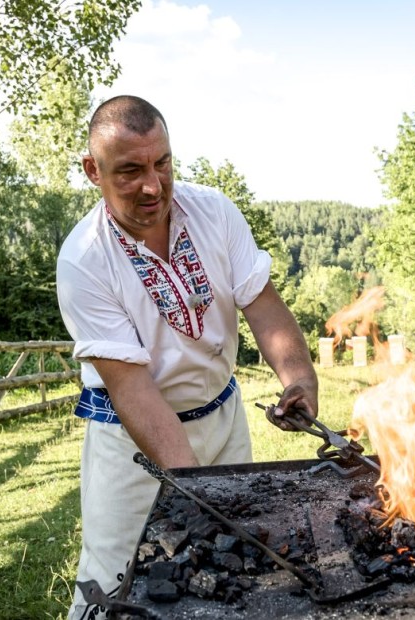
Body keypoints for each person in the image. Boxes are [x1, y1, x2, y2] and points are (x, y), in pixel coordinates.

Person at [56, 95, 319, 619]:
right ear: (92, 170)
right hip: (133, 442)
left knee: (234, 572)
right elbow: (132, 389)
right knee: (118, 584)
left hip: (224, 421)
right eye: (130, 171)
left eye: (162, 163)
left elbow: (262, 305)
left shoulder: (214, 212)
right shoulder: (84, 259)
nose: (153, 186)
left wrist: (299, 377)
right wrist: (201, 491)